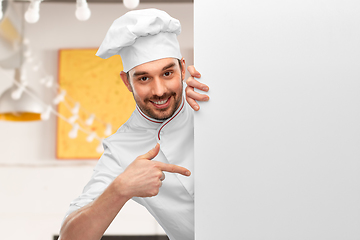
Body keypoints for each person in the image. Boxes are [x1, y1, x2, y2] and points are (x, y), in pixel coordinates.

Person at [59, 8, 209, 240]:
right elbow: (71, 236)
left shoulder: (207, 101)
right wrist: (120, 189)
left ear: (182, 68)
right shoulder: (120, 149)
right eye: (144, 78)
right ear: (126, 82)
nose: (159, 91)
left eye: (167, 73)